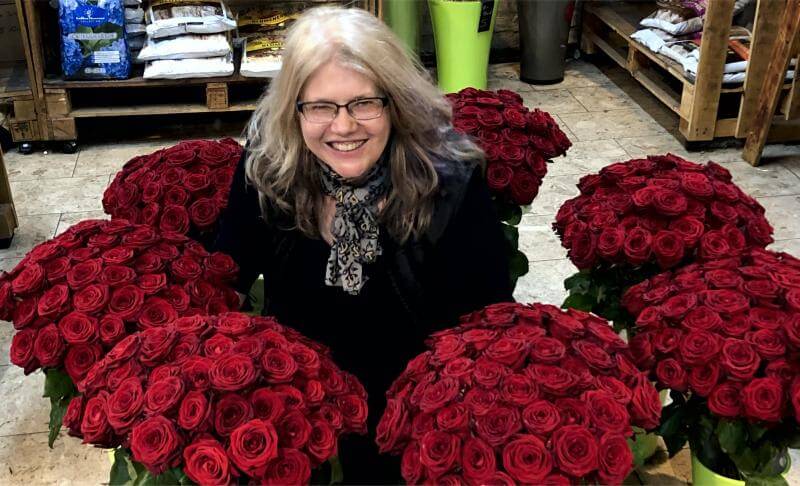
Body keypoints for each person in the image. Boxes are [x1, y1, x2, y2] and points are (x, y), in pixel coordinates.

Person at [214, 6, 512, 483]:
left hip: (415, 414)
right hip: (300, 408)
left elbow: (489, 314)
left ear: (394, 101)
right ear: (295, 108)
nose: (344, 126)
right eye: (321, 107)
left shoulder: (448, 178)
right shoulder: (268, 171)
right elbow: (226, 279)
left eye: (363, 103)